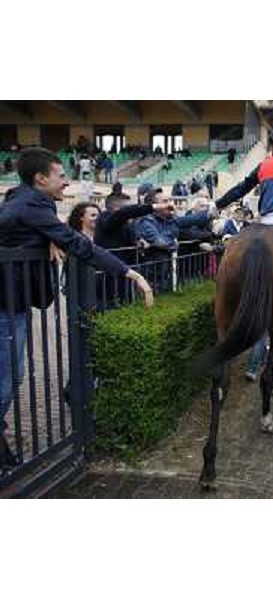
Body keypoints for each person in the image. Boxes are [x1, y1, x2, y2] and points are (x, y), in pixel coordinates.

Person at [0, 148, 154, 470]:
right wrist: (130, 273)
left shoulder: (24, 200)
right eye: (60, 175)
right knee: (7, 380)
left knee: (10, 377)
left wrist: (45, 239)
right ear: (40, 179)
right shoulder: (30, 205)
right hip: (6, 306)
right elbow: (81, 245)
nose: (66, 181)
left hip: (13, 303)